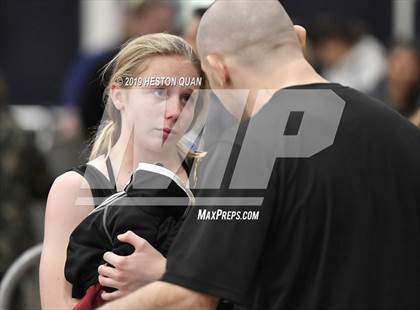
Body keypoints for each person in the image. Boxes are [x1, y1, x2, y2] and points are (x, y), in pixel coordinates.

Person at [99, 1, 420, 309]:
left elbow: (191, 298)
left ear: (219, 69)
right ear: (299, 38)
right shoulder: (405, 135)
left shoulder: (248, 147)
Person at [39, 33, 205, 309]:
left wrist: (162, 274)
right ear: (118, 95)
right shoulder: (76, 189)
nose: (174, 110)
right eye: (159, 91)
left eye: (187, 98)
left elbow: (241, 287)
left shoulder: (211, 176)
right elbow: (57, 304)